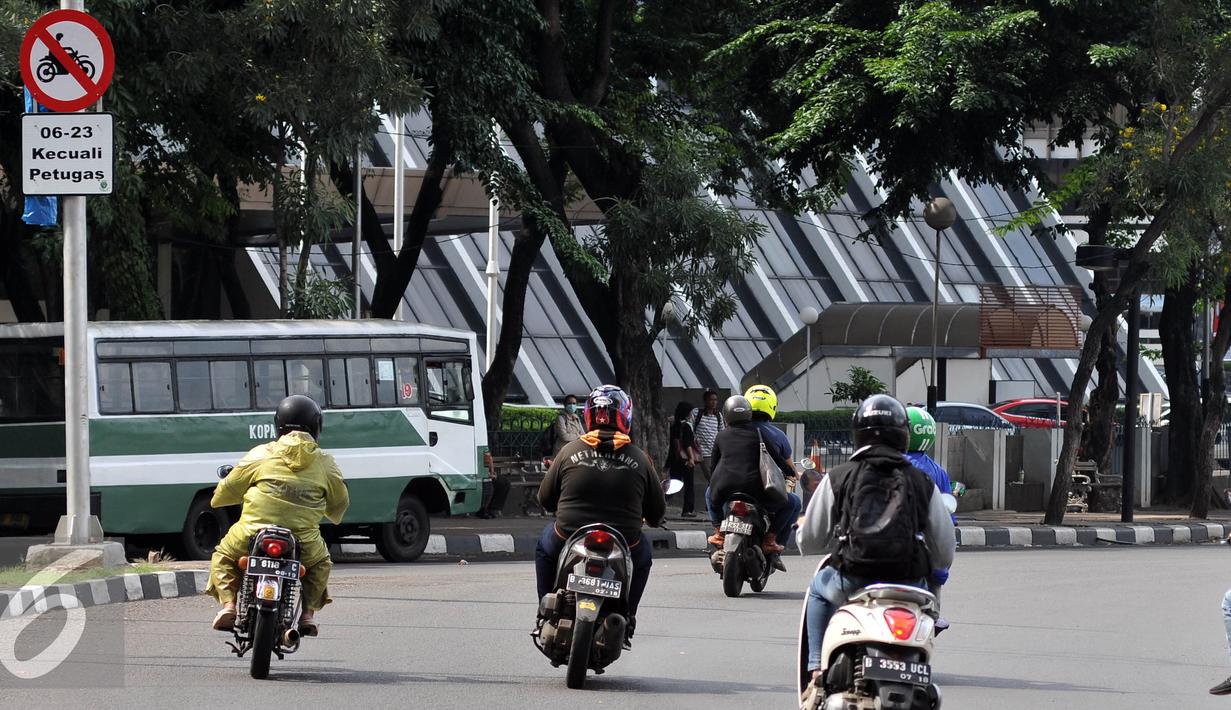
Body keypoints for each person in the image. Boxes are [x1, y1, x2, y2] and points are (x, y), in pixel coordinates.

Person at [797, 395, 956, 698]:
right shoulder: (923, 481)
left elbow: (812, 541)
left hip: (854, 576)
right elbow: (944, 550)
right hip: (910, 582)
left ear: (858, 433)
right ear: (903, 433)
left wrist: (804, 532)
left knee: (818, 590)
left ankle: (817, 671)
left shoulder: (840, 476)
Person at [535, 385, 667, 647]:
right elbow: (657, 512)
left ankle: (544, 610)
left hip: (569, 534)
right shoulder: (640, 459)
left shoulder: (569, 451)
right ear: (625, 417)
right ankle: (628, 616)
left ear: (588, 416)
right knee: (644, 558)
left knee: (544, 549)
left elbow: (544, 498)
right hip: (624, 540)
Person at [207, 395, 349, 636]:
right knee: (320, 563)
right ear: (316, 426)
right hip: (303, 540)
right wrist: (331, 511)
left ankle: (229, 606)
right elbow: (339, 504)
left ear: (279, 424)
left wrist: (219, 498)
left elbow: (229, 489)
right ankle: (307, 616)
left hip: (252, 533)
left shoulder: (261, 454)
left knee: (223, 556)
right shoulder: (326, 463)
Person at [706, 385, 802, 567]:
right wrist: (791, 474)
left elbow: (713, 466)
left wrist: (715, 485)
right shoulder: (762, 434)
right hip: (758, 491)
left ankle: (718, 532)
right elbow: (780, 460)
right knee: (794, 503)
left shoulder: (721, 435)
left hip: (726, 490)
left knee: (709, 493)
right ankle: (770, 540)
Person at [903, 406, 954, 600]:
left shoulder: (887, 465)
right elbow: (947, 524)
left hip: (886, 558)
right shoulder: (938, 471)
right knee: (933, 609)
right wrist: (942, 568)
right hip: (930, 558)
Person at [667, 401, 699, 517]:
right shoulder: (686, 426)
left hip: (675, 460)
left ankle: (661, 502)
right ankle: (688, 510)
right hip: (685, 460)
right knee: (689, 485)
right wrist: (691, 458)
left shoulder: (674, 425)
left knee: (673, 484)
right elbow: (687, 444)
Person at [690, 389, 724, 483]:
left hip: (716, 452)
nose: (714, 402)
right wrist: (695, 440)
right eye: (711, 400)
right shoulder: (696, 413)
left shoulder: (718, 415)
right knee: (712, 478)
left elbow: (722, 432)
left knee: (716, 478)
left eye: (715, 400)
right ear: (705, 401)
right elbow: (689, 427)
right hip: (704, 453)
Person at [546, 394, 585, 464]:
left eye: (574, 403)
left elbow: (583, 434)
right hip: (562, 452)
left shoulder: (576, 418)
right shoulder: (561, 418)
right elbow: (564, 436)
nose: (572, 406)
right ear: (565, 405)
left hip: (575, 452)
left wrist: (578, 436)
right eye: (569, 403)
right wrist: (578, 436)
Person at [476, 450, 511, 519]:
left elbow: (490, 459)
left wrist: (492, 472)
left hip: (485, 474)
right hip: (475, 475)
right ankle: (482, 510)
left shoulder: (484, 450)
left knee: (504, 482)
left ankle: (492, 509)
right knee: (486, 483)